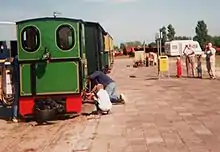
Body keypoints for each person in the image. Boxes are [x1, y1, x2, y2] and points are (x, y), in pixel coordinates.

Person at [10, 55, 19, 123]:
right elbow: (16, 71)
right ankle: (14, 116)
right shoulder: (17, 58)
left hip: (15, 80)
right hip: (16, 80)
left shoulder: (16, 58)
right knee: (16, 98)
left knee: (16, 98)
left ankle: (15, 115)